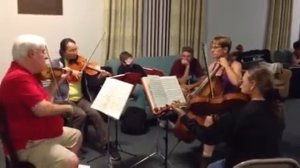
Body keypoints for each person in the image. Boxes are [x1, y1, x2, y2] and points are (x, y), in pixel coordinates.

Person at [172, 66, 284, 168]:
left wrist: (183, 116)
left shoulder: (239, 112)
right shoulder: (277, 110)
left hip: (244, 165)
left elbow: (208, 136)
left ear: (253, 85)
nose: (240, 85)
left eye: (243, 81)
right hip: (274, 165)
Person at [0, 34, 82, 168]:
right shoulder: (18, 78)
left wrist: (60, 79)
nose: (45, 56)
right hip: (26, 143)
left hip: (38, 133)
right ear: (31, 54)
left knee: (75, 135)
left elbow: (45, 97)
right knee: (72, 160)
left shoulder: (27, 74)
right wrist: (68, 108)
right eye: (43, 52)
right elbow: (42, 109)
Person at [52, 38, 121, 161]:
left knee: (95, 113)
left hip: (80, 98)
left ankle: (107, 143)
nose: (75, 52)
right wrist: (67, 72)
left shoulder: (81, 63)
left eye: (76, 49)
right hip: (64, 99)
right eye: (71, 50)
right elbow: (52, 79)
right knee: (81, 115)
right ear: (63, 51)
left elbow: (93, 83)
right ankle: (74, 145)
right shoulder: (56, 64)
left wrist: (100, 76)